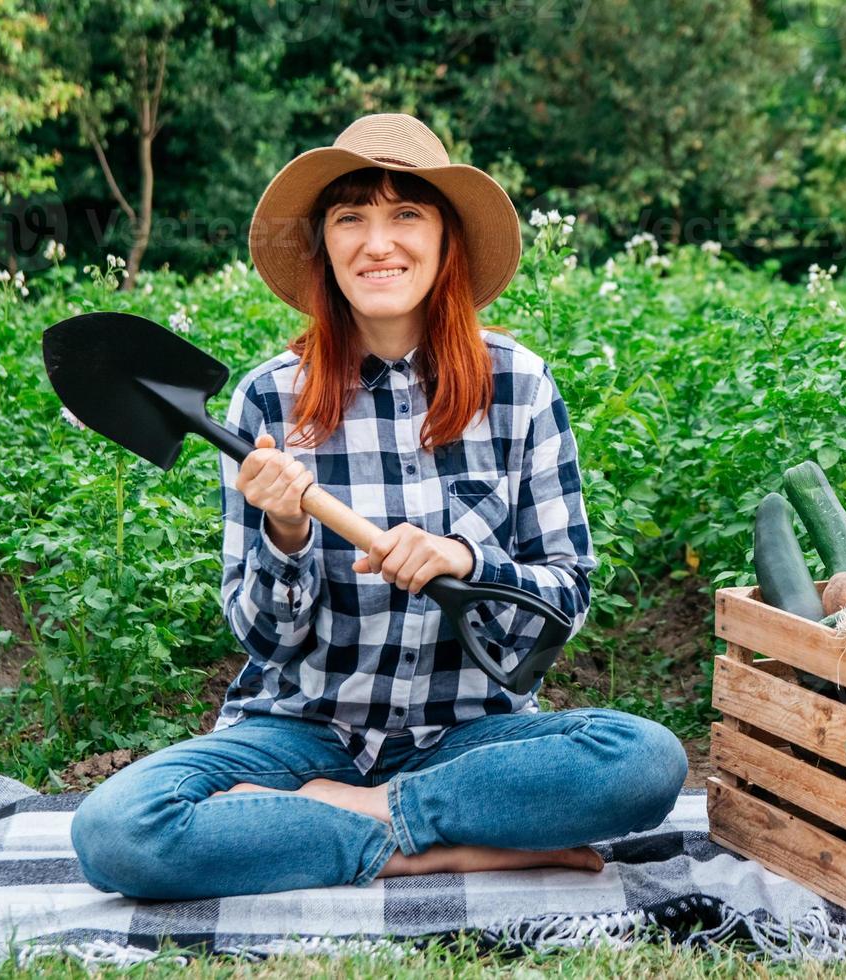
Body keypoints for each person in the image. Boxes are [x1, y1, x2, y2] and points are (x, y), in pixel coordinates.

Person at [70, 113, 688, 901]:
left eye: (406, 214)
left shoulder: (521, 387)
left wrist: (467, 561)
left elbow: (566, 596)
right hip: (299, 736)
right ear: (326, 245)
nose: (377, 242)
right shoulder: (270, 398)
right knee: (116, 832)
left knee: (646, 760)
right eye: (351, 217)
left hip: (469, 738)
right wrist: (286, 531)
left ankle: (355, 817)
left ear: (445, 241)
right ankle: (432, 849)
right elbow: (262, 637)